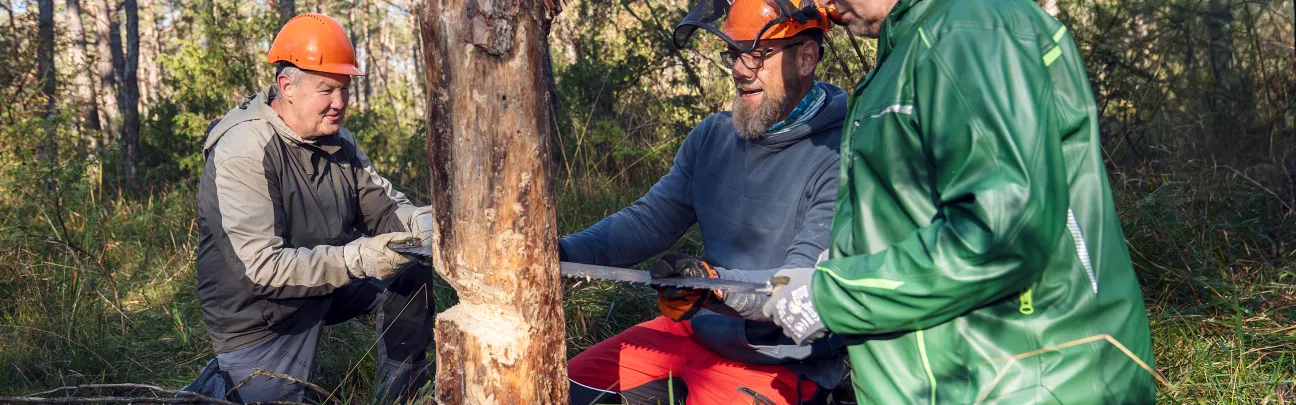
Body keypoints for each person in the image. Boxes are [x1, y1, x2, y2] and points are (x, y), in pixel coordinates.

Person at [759, 0, 1159, 403]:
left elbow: (1004, 231)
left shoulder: (969, 28)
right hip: (958, 378)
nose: (825, 2)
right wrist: (848, 256)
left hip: (1024, 380)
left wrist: (833, 294)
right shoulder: (909, 48)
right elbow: (920, 203)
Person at [561, 1, 848, 404]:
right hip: (691, 332)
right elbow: (648, 222)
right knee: (559, 390)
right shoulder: (712, 136)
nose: (739, 69)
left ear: (805, 58)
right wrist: (561, 252)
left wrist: (713, 287)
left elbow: (802, 284)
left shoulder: (842, 156)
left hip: (780, 364)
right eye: (734, 54)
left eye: (757, 55)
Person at [184, 13, 433, 403]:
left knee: (410, 269)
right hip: (260, 314)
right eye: (326, 90)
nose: (339, 103)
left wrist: (426, 222)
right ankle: (222, 382)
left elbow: (385, 210)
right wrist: (357, 259)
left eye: (345, 89)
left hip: (325, 283)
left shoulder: (339, 142)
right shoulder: (244, 149)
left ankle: (402, 395)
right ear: (287, 86)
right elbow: (261, 270)